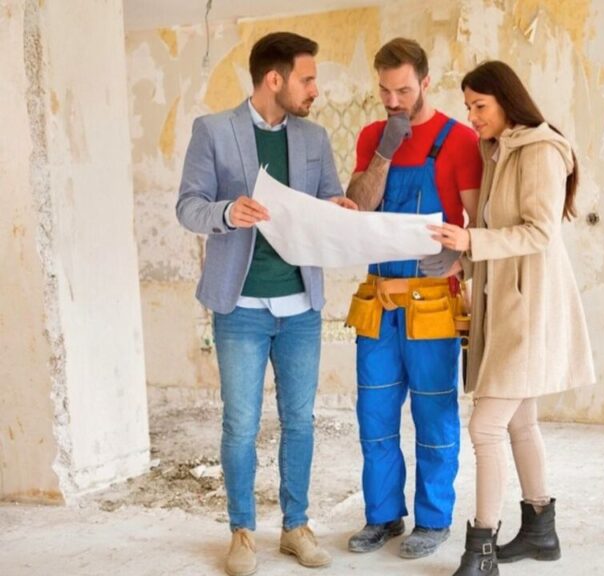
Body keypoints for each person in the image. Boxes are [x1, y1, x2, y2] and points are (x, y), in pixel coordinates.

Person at [176, 31, 356, 576]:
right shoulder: (213, 130)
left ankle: (296, 526)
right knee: (240, 424)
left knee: (300, 420)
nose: (315, 89)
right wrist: (227, 212)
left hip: (301, 306)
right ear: (274, 79)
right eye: (307, 79)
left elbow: (326, 198)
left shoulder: (314, 136)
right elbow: (188, 206)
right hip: (240, 308)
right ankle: (242, 532)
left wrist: (337, 207)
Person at [429, 60, 595, 576]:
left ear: (506, 100)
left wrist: (472, 240)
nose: (472, 117)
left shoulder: (541, 149)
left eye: (480, 106)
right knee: (521, 421)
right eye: (468, 107)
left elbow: (540, 232)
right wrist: (462, 259)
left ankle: (481, 548)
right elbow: (498, 230)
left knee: (485, 426)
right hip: (506, 303)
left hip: (528, 307)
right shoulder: (499, 150)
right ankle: (541, 532)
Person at [343, 37, 482, 559]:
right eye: (385, 90)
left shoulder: (460, 140)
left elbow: (478, 223)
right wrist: (385, 150)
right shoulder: (372, 136)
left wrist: (459, 260)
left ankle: (433, 519)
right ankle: (382, 516)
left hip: (433, 305)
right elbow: (357, 208)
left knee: (434, 416)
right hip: (379, 303)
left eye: (403, 90)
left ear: (425, 81)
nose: (393, 100)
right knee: (374, 416)